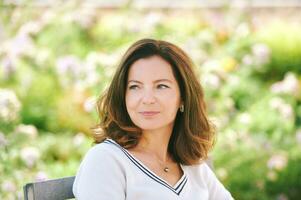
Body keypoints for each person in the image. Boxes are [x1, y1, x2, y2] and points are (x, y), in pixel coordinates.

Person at [73, 38, 234, 199]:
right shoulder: (106, 160)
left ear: (183, 97)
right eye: (135, 86)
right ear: (123, 95)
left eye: (161, 86)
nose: (147, 99)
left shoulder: (193, 166)